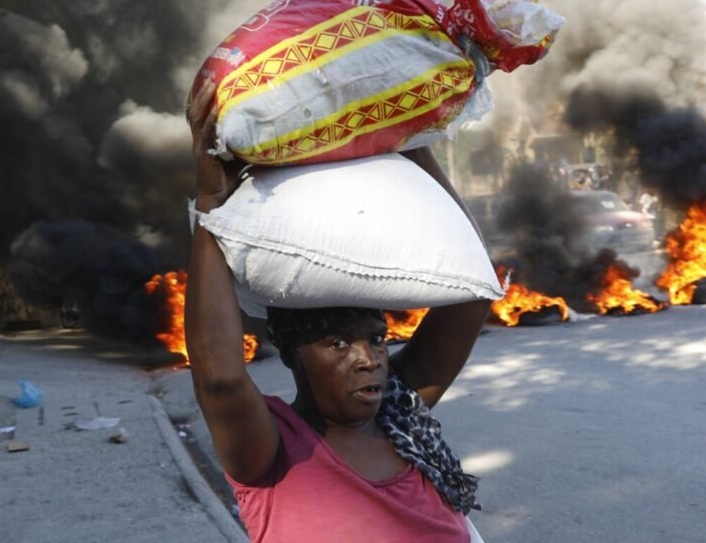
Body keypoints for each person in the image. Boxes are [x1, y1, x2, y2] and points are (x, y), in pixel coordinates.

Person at [185, 83, 492, 542]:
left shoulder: (399, 412)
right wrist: (211, 204)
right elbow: (221, 379)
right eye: (338, 343)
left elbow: (473, 285)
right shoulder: (271, 450)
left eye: (376, 338)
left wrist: (411, 139)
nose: (368, 358)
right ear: (291, 352)